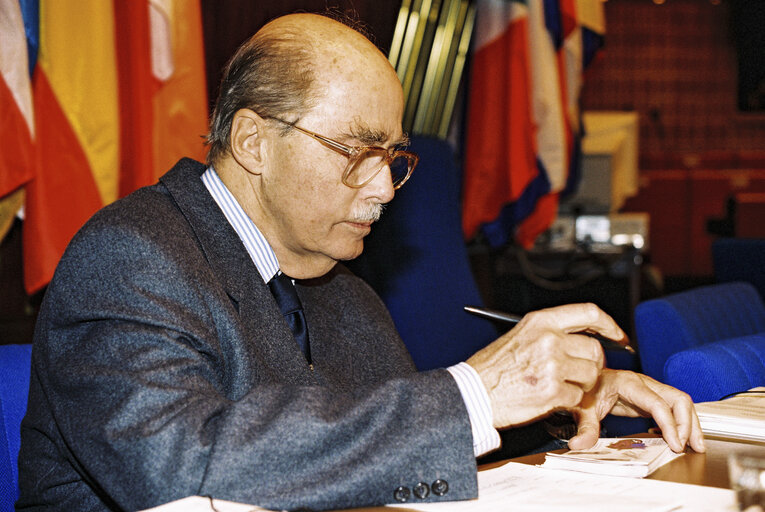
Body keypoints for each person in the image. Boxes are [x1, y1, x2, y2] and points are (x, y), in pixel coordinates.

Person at [17, 12, 704, 512]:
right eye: (356, 152)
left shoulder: (339, 287)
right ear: (254, 141)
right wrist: (475, 391)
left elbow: (373, 447)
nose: (382, 189)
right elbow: (175, 466)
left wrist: (546, 402)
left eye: (393, 159)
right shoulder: (132, 254)